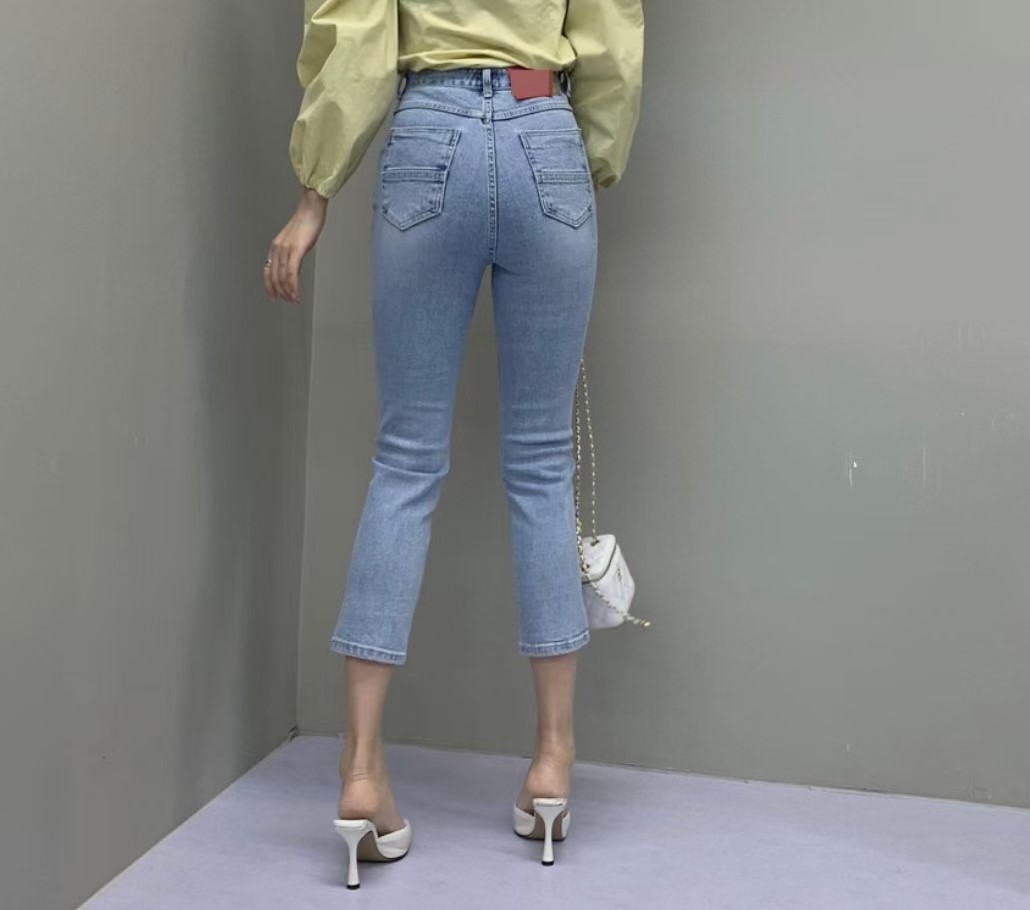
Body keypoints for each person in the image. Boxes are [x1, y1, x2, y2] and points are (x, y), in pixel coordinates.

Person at [263, 0, 643, 887]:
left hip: (428, 129)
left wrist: (314, 193)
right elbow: (612, 33)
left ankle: (361, 771)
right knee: (542, 465)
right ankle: (552, 763)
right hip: (544, 121)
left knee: (403, 464)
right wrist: (585, 152)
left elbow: (356, 31)